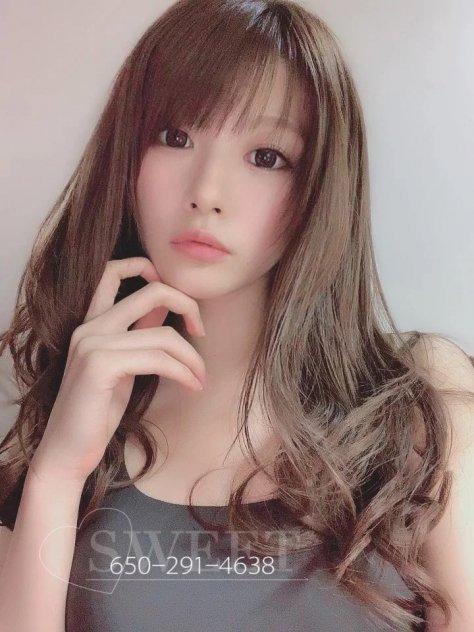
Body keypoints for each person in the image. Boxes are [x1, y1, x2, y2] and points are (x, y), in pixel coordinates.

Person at [0, 1, 473, 630]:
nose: (206, 191)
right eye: (175, 137)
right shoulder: (66, 419)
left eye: (266, 156)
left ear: (320, 186)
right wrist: (58, 474)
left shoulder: (419, 400)